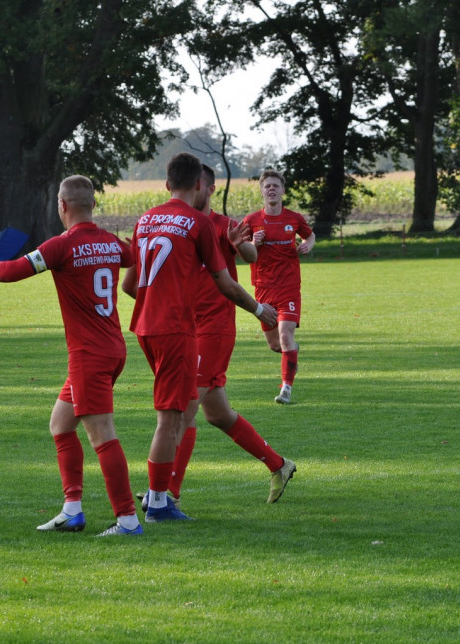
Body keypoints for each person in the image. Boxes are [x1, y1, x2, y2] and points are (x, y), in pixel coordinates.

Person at [0, 175, 142, 537]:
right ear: (92, 205)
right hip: (112, 348)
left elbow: (10, 271)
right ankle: (72, 510)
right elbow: (135, 255)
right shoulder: (110, 243)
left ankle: (127, 520)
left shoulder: (62, 246)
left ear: (61, 206)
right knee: (61, 425)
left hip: (89, 355)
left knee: (102, 434)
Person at [122, 152, 277, 523]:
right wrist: (259, 310)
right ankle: (160, 500)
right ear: (198, 186)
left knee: (208, 411)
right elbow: (226, 283)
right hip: (179, 329)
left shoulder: (145, 220)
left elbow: (129, 285)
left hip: (145, 326)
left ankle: (277, 464)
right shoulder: (198, 223)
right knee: (174, 418)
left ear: (165, 183)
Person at [152, 164, 296, 506]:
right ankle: (279, 465)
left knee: (184, 410)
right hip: (186, 328)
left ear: (208, 189)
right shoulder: (177, 224)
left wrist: (239, 244)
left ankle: (167, 493)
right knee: (218, 414)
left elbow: (251, 255)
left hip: (215, 328)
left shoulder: (222, 224)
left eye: (197, 186)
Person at [239, 169, 315, 405]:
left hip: (289, 287)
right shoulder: (251, 221)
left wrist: (307, 245)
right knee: (276, 344)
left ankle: (286, 389)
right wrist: (253, 243)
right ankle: (291, 353)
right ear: (262, 191)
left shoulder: (294, 218)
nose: (271, 189)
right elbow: (242, 253)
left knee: (285, 335)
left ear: (283, 190)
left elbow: (310, 236)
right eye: (267, 186)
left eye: (275, 185)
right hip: (263, 289)